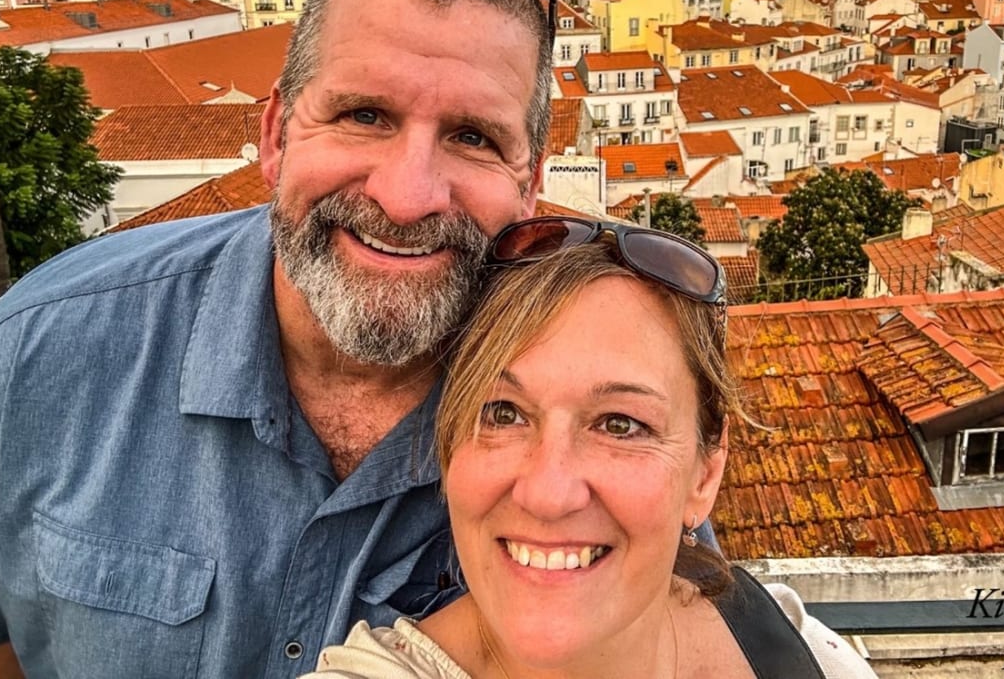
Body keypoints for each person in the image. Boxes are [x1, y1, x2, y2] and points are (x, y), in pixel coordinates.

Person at [0, 0, 561, 677]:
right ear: (276, 134)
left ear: (532, 183)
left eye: (473, 137)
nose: (409, 197)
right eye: (364, 114)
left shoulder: (604, 404)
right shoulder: (28, 362)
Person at [303, 218, 878, 679]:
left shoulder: (799, 651)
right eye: (502, 413)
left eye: (620, 425)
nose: (548, 493)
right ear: (450, 451)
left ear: (705, 473)